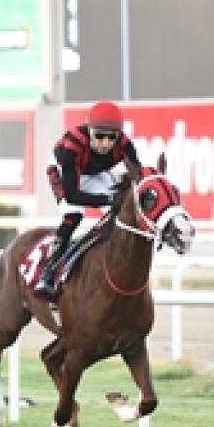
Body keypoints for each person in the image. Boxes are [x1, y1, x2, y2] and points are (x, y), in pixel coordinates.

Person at [34, 100, 141, 296]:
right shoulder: (71, 147)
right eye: (99, 136)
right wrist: (109, 200)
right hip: (64, 173)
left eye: (112, 138)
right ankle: (48, 270)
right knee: (74, 215)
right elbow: (73, 196)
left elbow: (139, 175)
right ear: (89, 131)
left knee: (122, 208)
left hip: (94, 172)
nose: (105, 144)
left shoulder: (125, 145)